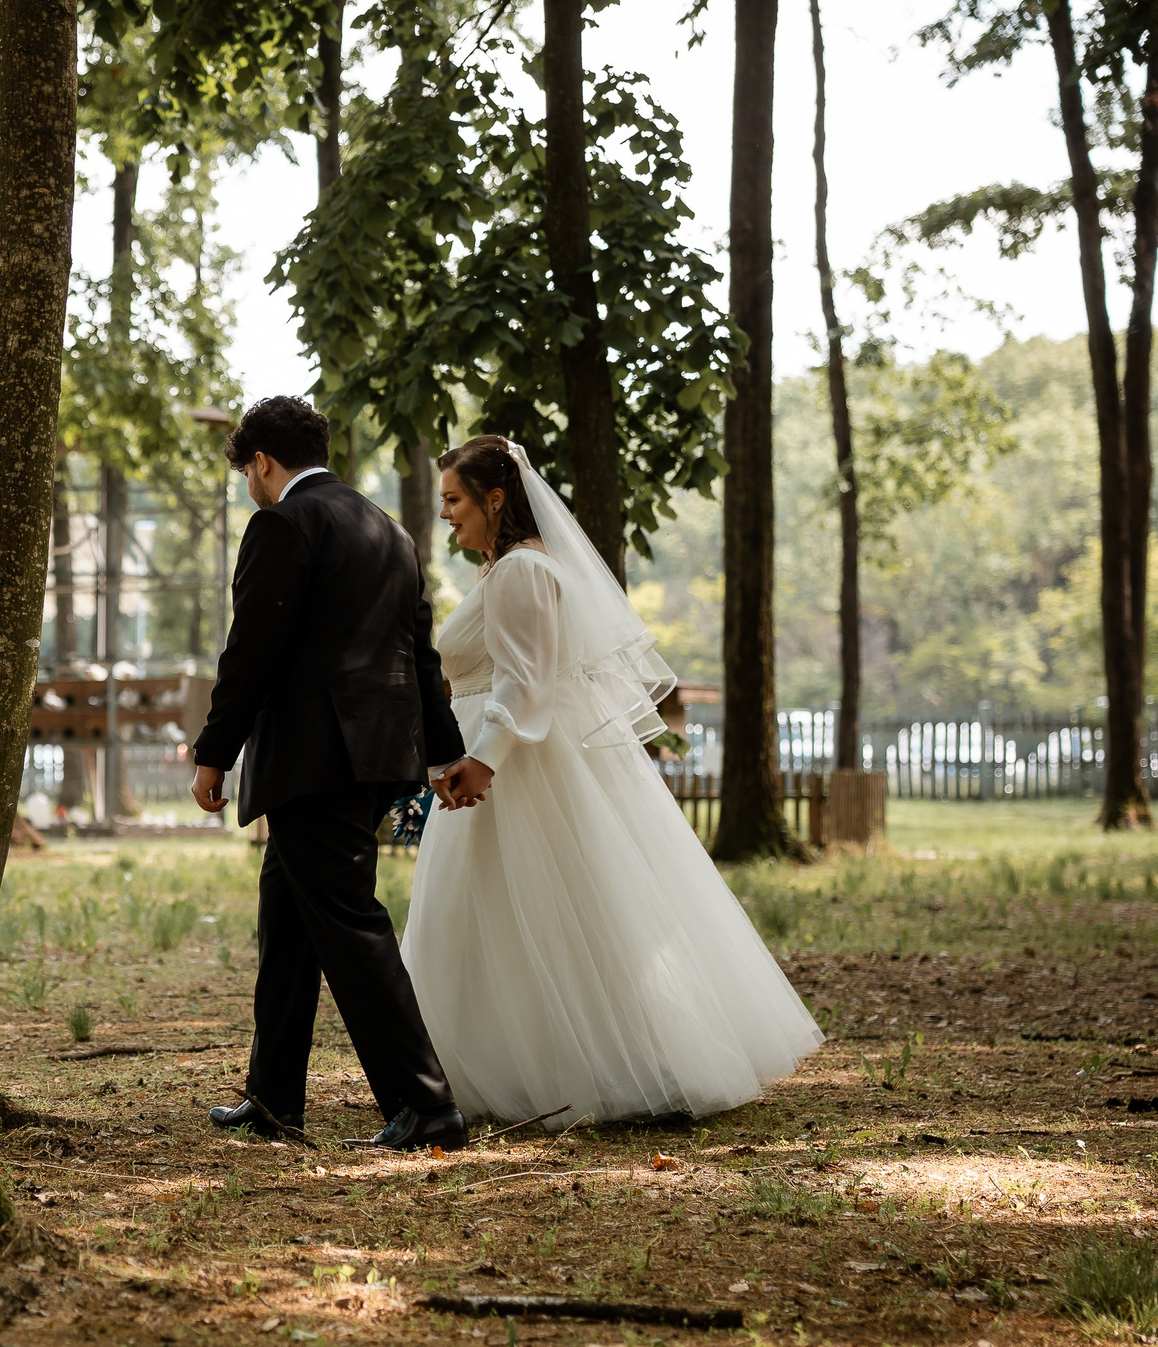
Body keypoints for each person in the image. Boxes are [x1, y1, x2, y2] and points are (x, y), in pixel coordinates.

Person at [401, 436, 822, 1126]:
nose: (446, 513)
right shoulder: (504, 570)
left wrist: (485, 757)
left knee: (531, 912)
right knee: (505, 916)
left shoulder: (520, 573)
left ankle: (571, 1069)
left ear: (494, 498)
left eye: (453, 499)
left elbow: (526, 677)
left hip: (517, 769)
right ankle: (520, 1062)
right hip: (509, 758)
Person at [188, 397, 486, 1151]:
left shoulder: (282, 524)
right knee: (286, 924)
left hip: (315, 760)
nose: (249, 487)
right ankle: (273, 1096)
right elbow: (421, 660)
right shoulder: (388, 531)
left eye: (247, 472)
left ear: (261, 462)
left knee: (350, 925)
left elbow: (250, 650)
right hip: (375, 755)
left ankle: (426, 1105)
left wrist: (214, 750)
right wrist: (443, 752)